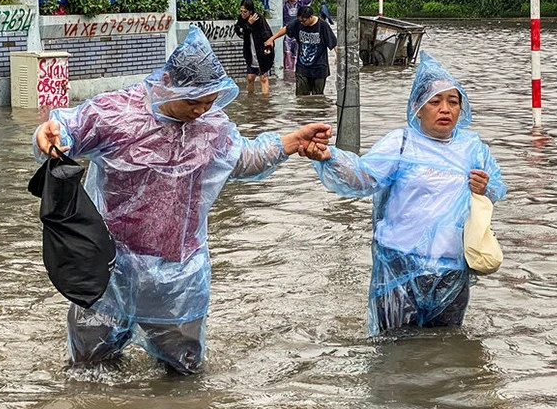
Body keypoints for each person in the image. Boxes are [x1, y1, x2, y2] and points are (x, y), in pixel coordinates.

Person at [32, 26, 332, 375]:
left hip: (178, 275)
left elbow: (242, 159)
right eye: (193, 102)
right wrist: (48, 135)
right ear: (167, 81)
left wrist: (293, 142)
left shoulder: (212, 125)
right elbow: (66, 132)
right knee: (89, 370)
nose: (200, 111)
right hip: (109, 268)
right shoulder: (115, 113)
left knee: (185, 373)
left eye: (209, 102)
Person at [299, 51, 507, 336]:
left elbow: (496, 190)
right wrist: (329, 157)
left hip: (451, 269)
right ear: (418, 108)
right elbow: (363, 177)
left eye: (453, 101)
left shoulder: (473, 149)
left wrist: (485, 188)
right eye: (435, 101)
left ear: (462, 109)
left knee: (445, 346)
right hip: (398, 265)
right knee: (393, 348)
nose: (445, 109)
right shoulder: (401, 143)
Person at [264, 6, 337, 97]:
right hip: (302, 67)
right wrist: (271, 39)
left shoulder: (322, 26)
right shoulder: (298, 23)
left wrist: (338, 55)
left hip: (319, 68)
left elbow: (333, 42)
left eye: (304, 21)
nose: (302, 23)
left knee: (318, 97)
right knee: (301, 97)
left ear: (311, 17)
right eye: (300, 21)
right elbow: (286, 29)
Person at [234, 0, 274, 95]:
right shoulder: (241, 20)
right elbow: (240, 31)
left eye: (245, 12)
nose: (242, 14)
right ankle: (250, 96)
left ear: (250, 11)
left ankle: (265, 99)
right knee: (250, 77)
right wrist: (248, 24)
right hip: (250, 52)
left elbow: (267, 34)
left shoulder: (259, 19)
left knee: (263, 77)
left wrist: (268, 47)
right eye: (241, 11)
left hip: (261, 52)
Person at [282, 0, 314, 78]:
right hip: (287, 32)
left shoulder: (300, 3)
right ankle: (288, 72)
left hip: (298, 31)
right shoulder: (284, 5)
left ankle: (295, 72)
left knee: (297, 52)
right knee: (287, 52)